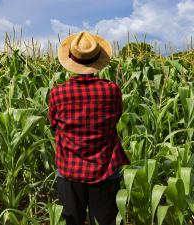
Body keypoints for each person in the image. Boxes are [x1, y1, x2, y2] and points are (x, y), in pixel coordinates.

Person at [48, 31, 130, 225]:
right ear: (98, 59)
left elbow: (53, 124)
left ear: (71, 59)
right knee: (104, 221)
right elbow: (116, 117)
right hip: (105, 169)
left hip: (69, 169)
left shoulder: (58, 93)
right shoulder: (112, 90)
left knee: (72, 221)